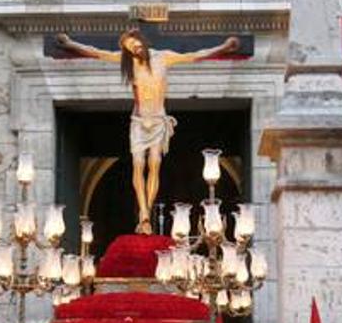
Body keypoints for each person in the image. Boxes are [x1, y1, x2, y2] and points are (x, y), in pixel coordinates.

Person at [55, 29, 240, 233]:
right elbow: (96, 52)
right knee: (138, 164)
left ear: (142, 41)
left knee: (154, 163)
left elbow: (194, 55)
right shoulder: (129, 63)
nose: (136, 49)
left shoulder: (162, 57)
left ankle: (147, 212)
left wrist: (224, 47)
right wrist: (71, 44)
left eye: (137, 44)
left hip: (158, 121)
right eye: (131, 49)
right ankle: (143, 213)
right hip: (138, 122)